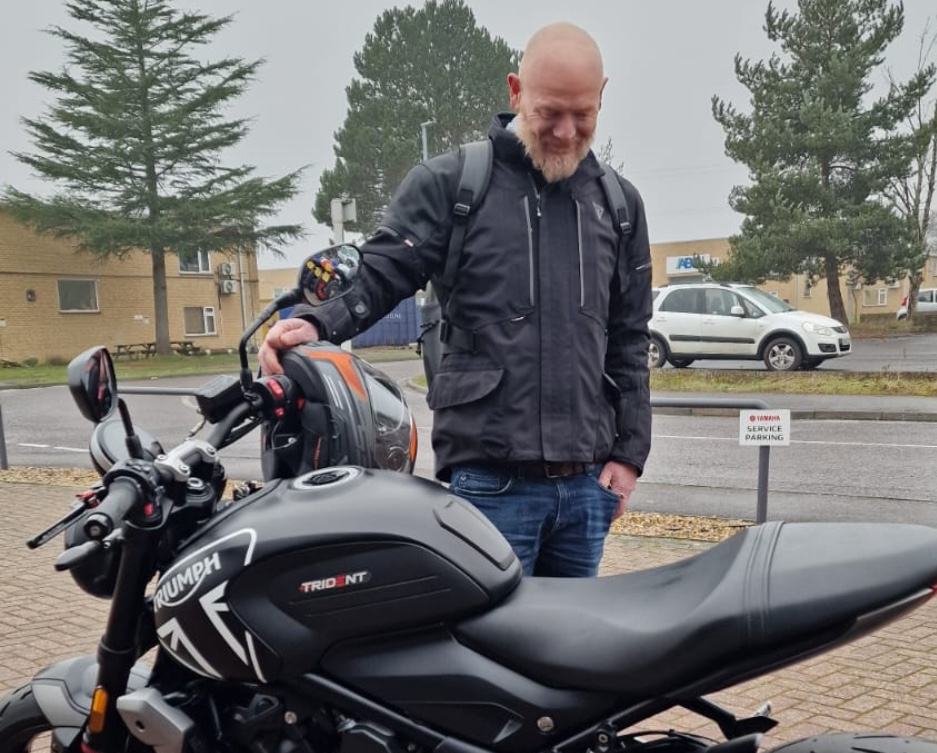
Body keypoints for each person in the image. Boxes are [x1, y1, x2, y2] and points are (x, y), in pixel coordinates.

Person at [260, 21, 653, 577]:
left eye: (583, 115)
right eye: (549, 112)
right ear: (516, 92)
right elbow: (382, 270)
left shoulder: (619, 205)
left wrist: (629, 456)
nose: (566, 132)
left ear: (602, 98)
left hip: (588, 490)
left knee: (572, 634)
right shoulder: (453, 184)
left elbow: (631, 337)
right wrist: (316, 322)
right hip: (490, 486)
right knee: (490, 633)